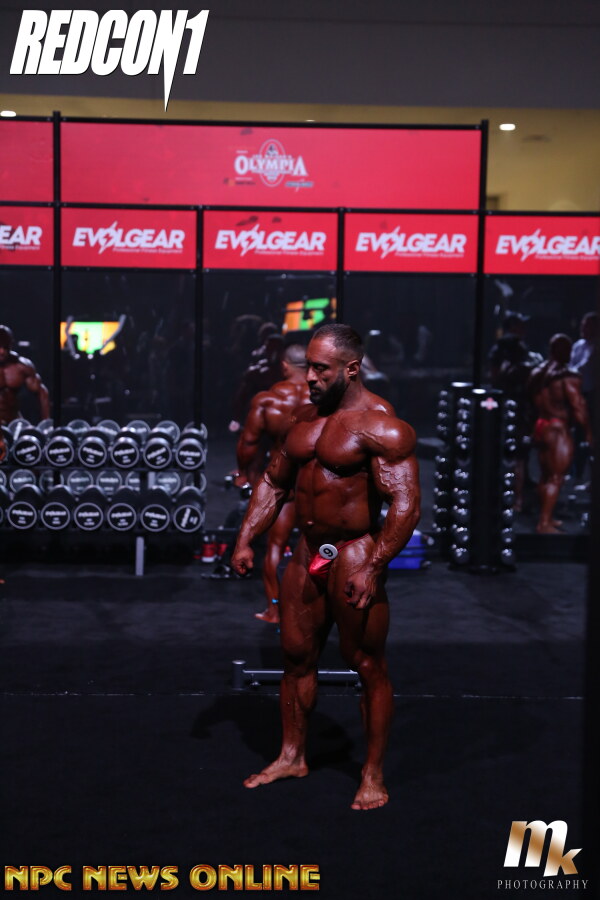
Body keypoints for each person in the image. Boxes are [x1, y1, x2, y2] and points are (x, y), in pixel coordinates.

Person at [231, 324, 420, 810]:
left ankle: (372, 773)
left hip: (354, 552)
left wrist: (374, 566)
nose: (309, 377)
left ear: (351, 369)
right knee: (295, 658)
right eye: (308, 367)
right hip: (307, 551)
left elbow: (405, 505)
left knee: (366, 662)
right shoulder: (303, 418)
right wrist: (246, 538)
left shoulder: (382, 425)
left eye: (321, 369)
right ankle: (292, 755)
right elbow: (274, 482)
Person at [235, 344, 310, 624]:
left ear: (285, 366)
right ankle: (317, 611)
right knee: (321, 545)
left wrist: (243, 472)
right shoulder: (323, 399)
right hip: (317, 482)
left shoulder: (269, 400)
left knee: (276, 546)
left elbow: (248, 444)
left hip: (284, 481)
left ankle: (275, 609)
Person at [529, 334, 592, 534]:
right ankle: (544, 523)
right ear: (563, 351)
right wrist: (588, 432)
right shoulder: (567, 377)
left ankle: (546, 517)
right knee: (556, 478)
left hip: (541, 425)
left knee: (546, 475)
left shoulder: (538, 372)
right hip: (558, 428)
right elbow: (578, 406)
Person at [0, 325, 50, 424]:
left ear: (11, 345)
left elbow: (42, 393)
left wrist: (46, 423)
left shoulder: (22, 367)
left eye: (5, 347)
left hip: (13, 422)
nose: (2, 351)